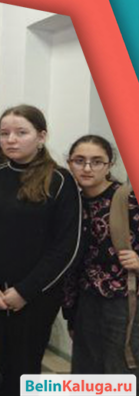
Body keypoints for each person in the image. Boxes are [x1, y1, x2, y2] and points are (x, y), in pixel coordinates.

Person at [0, 105, 81, 396]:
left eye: (21, 133)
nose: (11, 140)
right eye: (5, 133)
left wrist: (25, 291)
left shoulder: (61, 181)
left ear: (41, 136)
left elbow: (67, 246)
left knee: (22, 371)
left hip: (34, 298)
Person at [63, 135, 139, 374]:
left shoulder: (128, 199)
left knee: (120, 372)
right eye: (79, 160)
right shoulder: (72, 201)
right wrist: (70, 310)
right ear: (69, 163)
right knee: (86, 371)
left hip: (124, 300)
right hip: (85, 300)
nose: (87, 168)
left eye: (96, 161)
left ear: (109, 164)